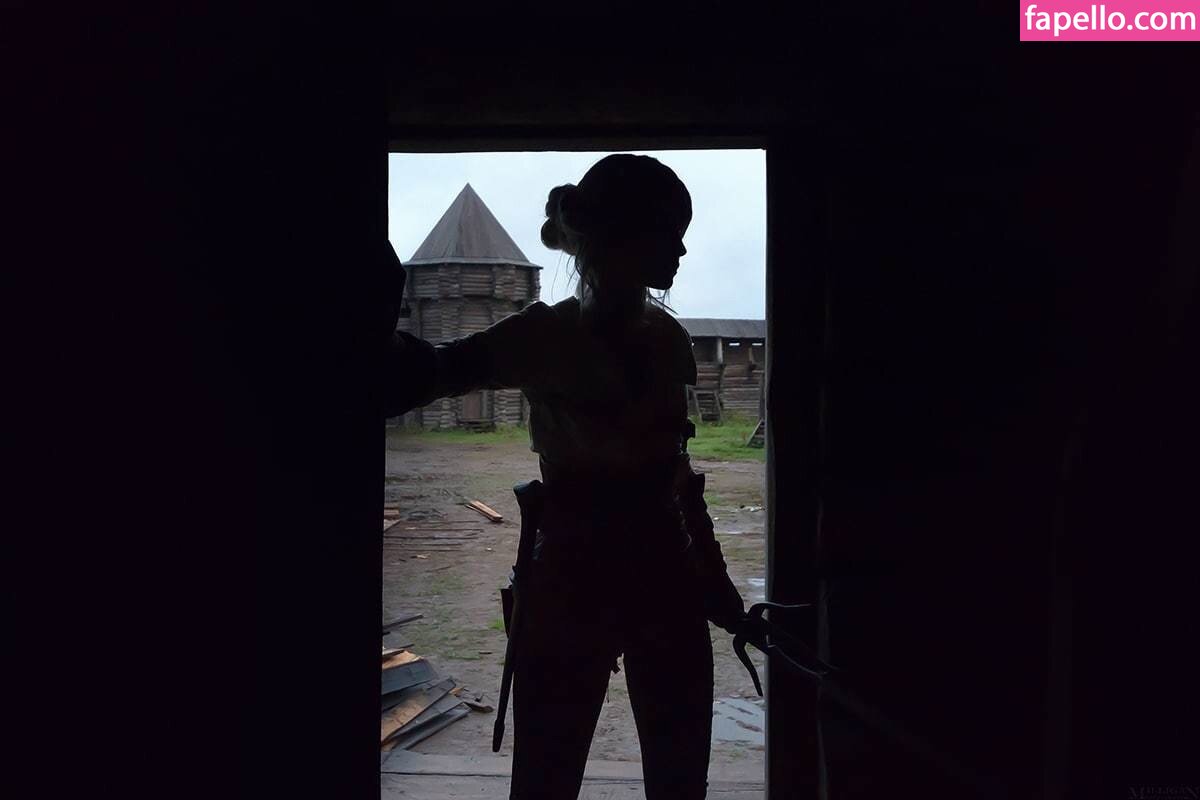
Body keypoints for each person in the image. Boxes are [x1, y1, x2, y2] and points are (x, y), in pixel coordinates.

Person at [397, 154, 747, 800]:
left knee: (676, 781)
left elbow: (678, 476)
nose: (681, 249)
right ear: (619, 236)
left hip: (647, 579)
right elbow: (435, 372)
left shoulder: (667, 341)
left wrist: (717, 586)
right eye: (667, 232)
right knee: (546, 780)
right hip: (577, 584)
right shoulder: (545, 335)